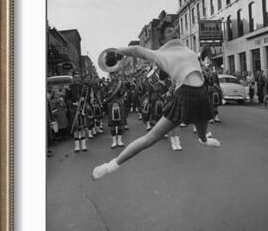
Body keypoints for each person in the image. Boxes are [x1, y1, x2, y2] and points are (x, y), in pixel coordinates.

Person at [92, 22, 220, 180]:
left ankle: (204, 139)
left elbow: (198, 60)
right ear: (162, 39)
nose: (174, 33)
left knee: (202, 133)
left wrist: (204, 55)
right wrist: (117, 52)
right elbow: (137, 50)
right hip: (184, 94)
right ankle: (111, 166)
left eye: (175, 30)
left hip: (201, 93)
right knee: (149, 139)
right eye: (169, 31)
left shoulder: (187, 49)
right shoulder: (160, 53)